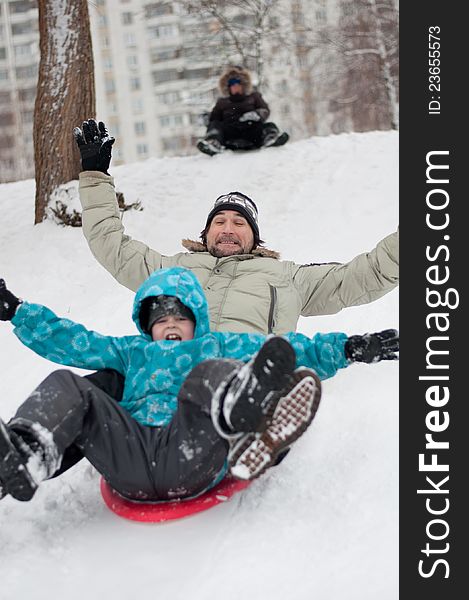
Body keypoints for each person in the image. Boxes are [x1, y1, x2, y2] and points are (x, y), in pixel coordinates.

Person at [0, 270, 398, 503]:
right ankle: (27, 453)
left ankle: (240, 411)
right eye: (159, 317)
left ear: (196, 319)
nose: (170, 323)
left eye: (179, 315)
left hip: (193, 450)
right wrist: (16, 310)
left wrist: (353, 347)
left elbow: (293, 351)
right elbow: (73, 340)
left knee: (208, 373)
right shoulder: (130, 351)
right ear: (146, 324)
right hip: (129, 457)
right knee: (69, 385)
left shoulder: (216, 344)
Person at [196, 65, 289, 156]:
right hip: (230, 136)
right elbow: (214, 119)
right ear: (228, 87)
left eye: (238, 83)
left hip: (252, 133)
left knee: (269, 126)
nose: (235, 86)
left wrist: (257, 114)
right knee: (215, 126)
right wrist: (206, 118)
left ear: (243, 85)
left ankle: (271, 140)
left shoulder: (254, 96)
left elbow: (265, 110)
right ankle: (213, 144)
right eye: (232, 84)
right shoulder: (222, 102)